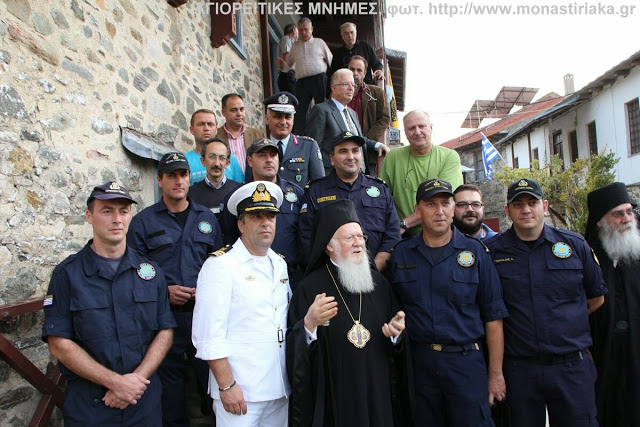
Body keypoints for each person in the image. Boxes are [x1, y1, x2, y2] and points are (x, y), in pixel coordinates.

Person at [42, 182, 175, 426]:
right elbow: (59, 343)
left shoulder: (151, 271)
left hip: (142, 402)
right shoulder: (67, 275)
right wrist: (116, 383)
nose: (117, 219)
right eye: (107, 211)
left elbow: (165, 330)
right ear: (89, 216)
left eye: (123, 211)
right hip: (92, 405)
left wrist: (134, 383)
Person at [485, 178, 607, 427]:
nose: (526, 209)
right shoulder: (492, 253)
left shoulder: (574, 245)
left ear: (546, 206)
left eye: (532, 202)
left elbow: (596, 297)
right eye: (517, 204)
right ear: (507, 211)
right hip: (521, 370)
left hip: (571, 366)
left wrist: (566, 320)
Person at [388, 178, 507, 426]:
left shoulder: (476, 253)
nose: (439, 211)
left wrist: (495, 374)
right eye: (431, 204)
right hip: (419, 366)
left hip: (465, 363)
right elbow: (393, 310)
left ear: (454, 209)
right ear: (418, 210)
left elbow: (493, 318)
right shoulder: (401, 254)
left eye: (445, 203)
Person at [287, 199, 411, 426]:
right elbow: (297, 352)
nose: (359, 243)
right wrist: (309, 324)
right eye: (349, 237)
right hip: (335, 395)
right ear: (329, 245)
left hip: (377, 391)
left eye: (360, 236)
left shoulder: (380, 285)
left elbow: (397, 342)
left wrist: (395, 334)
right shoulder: (309, 288)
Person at [127, 152, 223, 427]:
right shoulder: (143, 223)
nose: (178, 180)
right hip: (163, 318)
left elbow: (218, 265)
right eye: (171, 175)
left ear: (188, 179)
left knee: (211, 379)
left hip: (202, 317)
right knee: (170, 390)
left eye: (182, 174)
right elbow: (134, 273)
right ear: (160, 180)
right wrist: (164, 291)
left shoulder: (206, 217)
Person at [192, 181, 290, 426]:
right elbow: (208, 335)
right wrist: (227, 386)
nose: (266, 222)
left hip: (278, 388)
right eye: (256, 216)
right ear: (240, 224)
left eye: (271, 216)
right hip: (240, 390)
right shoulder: (221, 266)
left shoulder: (280, 263)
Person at [299, 131, 400, 272]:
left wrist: (375, 268)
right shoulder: (316, 191)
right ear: (332, 159)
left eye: (355, 151)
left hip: (377, 275)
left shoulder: (380, 189)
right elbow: (307, 237)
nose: (350, 157)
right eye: (343, 151)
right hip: (330, 277)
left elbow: (392, 234)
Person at [585, 182, 640, 427]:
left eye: (630, 212)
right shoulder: (586, 256)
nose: (627, 219)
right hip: (601, 349)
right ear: (600, 221)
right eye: (618, 214)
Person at [221, 138, 306, 289]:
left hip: (291, 276)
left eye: (273, 155)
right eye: (262, 155)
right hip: (250, 277)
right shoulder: (238, 197)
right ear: (249, 160)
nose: (269, 160)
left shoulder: (296, 193)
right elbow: (229, 237)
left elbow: (304, 235)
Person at [379, 110, 463, 236]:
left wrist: (404, 224)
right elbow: (383, 200)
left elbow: (445, 201)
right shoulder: (393, 157)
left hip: (440, 236)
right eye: (411, 128)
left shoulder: (449, 157)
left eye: (422, 126)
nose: (417, 132)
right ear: (405, 133)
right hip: (404, 238)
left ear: (431, 128)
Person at [305, 69, 389, 175]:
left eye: (352, 85)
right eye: (346, 84)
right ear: (333, 88)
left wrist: (377, 145)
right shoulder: (321, 110)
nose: (351, 88)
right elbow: (315, 148)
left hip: (359, 176)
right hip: (334, 177)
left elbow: (357, 139)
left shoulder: (352, 113)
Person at [250, 91, 324, 185]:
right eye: (278, 117)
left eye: (288, 117)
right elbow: (250, 183)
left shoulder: (308, 147)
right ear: (267, 119)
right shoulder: (256, 149)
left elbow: (319, 185)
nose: (283, 122)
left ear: (293, 119)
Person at [277, 17, 333, 135]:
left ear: (311, 29)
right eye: (301, 30)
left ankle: (323, 134)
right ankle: (299, 138)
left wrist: (331, 82)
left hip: (319, 78)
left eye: (306, 30)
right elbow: (289, 65)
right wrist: (282, 65)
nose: (303, 33)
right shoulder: (295, 46)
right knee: (300, 112)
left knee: (321, 108)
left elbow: (331, 61)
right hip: (302, 81)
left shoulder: (319, 43)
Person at [185, 109, 244, 185]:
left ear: (216, 129)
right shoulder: (185, 161)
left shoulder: (231, 159)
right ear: (192, 130)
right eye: (201, 124)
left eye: (210, 124)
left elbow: (239, 189)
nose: (206, 128)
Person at [189, 137, 242, 220]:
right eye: (212, 157)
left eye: (222, 158)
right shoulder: (191, 195)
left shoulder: (238, 191)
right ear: (203, 161)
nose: (217, 163)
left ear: (227, 163)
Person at [216, 94, 265, 174]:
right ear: (223, 112)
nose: (239, 113)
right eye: (234, 110)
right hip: (227, 184)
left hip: (252, 184)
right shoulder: (215, 136)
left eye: (242, 109)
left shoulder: (258, 135)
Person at [347, 55, 390, 143]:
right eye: (352, 69)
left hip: (366, 145)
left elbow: (384, 119)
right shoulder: (337, 93)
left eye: (359, 70)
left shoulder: (377, 93)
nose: (355, 73)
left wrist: (366, 140)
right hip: (342, 144)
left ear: (365, 73)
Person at [277, 23, 298, 95]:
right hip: (288, 75)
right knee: (291, 100)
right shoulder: (287, 39)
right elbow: (286, 57)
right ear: (294, 30)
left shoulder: (290, 41)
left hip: (290, 75)